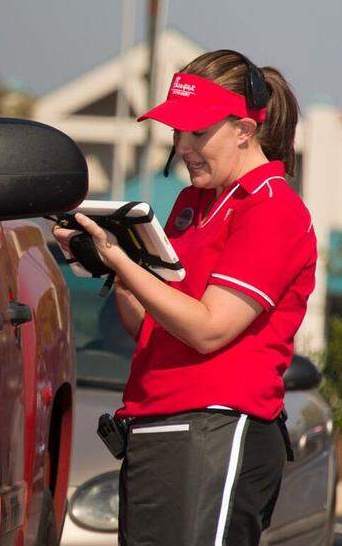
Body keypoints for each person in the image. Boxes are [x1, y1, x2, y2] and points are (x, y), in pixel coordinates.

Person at [53, 50, 316, 546]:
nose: (183, 146)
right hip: (158, 424)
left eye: (198, 133)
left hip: (217, 430)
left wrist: (121, 261)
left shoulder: (274, 209)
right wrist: (105, 264)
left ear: (244, 129)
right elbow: (147, 327)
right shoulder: (191, 203)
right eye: (177, 132)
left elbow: (207, 329)